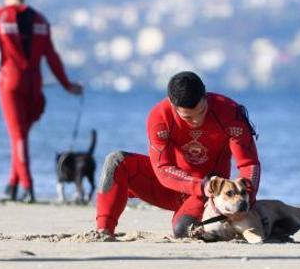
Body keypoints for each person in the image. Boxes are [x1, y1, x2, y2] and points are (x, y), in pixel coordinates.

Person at [95, 71, 261, 238]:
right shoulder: (160, 117)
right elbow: (163, 168)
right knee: (116, 161)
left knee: (183, 229)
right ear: (172, 104)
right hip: (169, 185)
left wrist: (246, 203)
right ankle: (103, 231)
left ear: (205, 95)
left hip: (209, 192)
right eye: (188, 117)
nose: (196, 121)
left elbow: (249, 164)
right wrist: (198, 185)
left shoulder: (230, 112)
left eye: (201, 112)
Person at [0, 0, 82, 202]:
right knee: (20, 137)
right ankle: (12, 185)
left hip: (10, 83)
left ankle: (27, 186)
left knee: (17, 137)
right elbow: (52, 58)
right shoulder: (41, 20)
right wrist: (67, 85)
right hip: (35, 85)